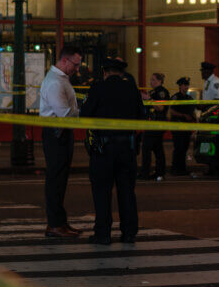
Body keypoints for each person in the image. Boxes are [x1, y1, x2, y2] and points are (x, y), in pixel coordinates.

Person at [80, 57, 147, 245]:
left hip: (104, 148)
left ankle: (103, 233)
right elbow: (142, 115)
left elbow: (84, 115)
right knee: (127, 191)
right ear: (122, 73)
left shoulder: (97, 88)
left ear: (105, 72)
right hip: (127, 147)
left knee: (102, 192)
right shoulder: (132, 89)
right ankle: (129, 233)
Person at [39, 46, 83, 239]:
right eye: (75, 64)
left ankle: (60, 222)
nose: (77, 68)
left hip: (61, 133)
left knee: (60, 179)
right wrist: (83, 111)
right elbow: (64, 113)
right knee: (56, 179)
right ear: (64, 61)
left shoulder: (61, 79)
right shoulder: (55, 83)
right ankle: (55, 224)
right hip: (56, 133)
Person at [140, 72, 169, 181]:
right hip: (151, 123)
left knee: (147, 148)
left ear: (159, 81)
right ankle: (159, 172)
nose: (150, 82)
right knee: (157, 149)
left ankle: (146, 172)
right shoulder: (153, 92)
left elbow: (160, 107)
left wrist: (147, 98)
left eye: (153, 80)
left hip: (157, 124)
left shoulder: (162, 92)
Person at [168, 76, 195, 176]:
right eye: (184, 85)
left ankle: (182, 168)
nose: (186, 87)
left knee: (184, 148)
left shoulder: (189, 98)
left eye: (187, 85)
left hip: (186, 128)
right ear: (180, 86)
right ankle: (175, 168)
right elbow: (171, 110)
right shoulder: (176, 97)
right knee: (178, 147)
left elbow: (193, 111)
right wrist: (183, 115)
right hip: (178, 126)